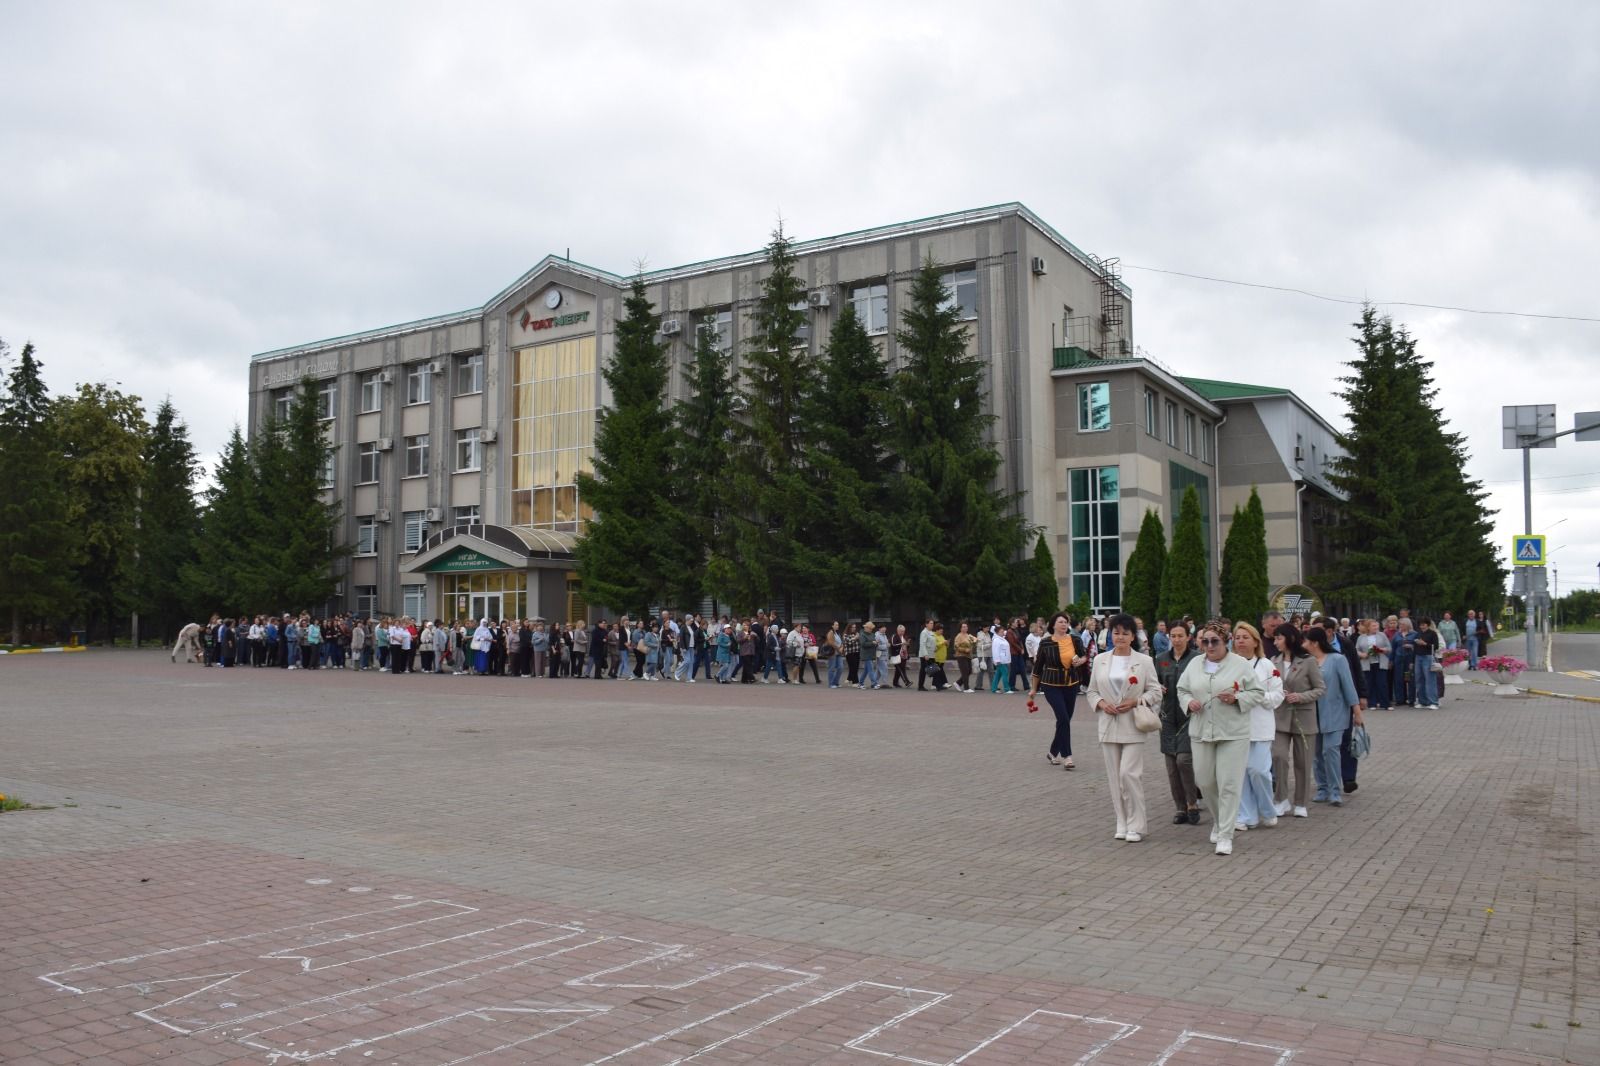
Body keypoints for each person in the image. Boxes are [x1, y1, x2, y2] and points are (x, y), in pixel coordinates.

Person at [1178, 620, 1265, 855]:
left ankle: (1226, 834)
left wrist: (1237, 698)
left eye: (1214, 641)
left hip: (1233, 732)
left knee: (1229, 783)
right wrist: (1189, 702)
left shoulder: (1240, 664)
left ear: (1226, 641)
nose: (1209, 645)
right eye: (1204, 641)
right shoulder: (1195, 664)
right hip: (1201, 731)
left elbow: (1257, 692)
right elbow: (1182, 689)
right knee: (1205, 781)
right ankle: (1219, 820)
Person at [1087, 613, 1162, 843]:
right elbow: (1091, 691)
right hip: (1108, 725)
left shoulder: (1144, 661)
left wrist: (1136, 701)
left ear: (1132, 636)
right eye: (1116, 632)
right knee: (1114, 777)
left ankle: (1136, 825)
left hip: (1133, 725)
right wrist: (1102, 704)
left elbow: (1155, 691)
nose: (1119, 637)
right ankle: (1122, 821)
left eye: (1125, 633)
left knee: (1128, 774)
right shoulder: (1100, 660)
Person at [1230, 622, 1283, 832]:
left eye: (1245, 637)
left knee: (1258, 770)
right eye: (1237, 637)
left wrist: (1256, 696)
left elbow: (1277, 696)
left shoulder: (1266, 666)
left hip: (1260, 727)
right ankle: (1247, 816)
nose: (1241, 641)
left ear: (1255, 641)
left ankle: (1268, 810)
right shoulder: (1228, 665)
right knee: (1240, 773)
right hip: (1235, 727)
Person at [1305, 626, 1363, 806]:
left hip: (1335, 713)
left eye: (1306, 641)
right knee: (1317, 754)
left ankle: (1335, 791)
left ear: (1315, 643)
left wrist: (1357, 712)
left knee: (1330, 751)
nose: (1303, 644)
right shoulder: (1307, 661)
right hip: (1312, 714)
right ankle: (1322, 788)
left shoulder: (1337, 659)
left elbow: (1348, 686)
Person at [1272, 624, 1325, 818]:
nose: (1275, 642)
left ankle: (1301, 802)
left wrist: (1301, 696)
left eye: (1279, 638)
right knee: (1278, 757)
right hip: (1280, 717)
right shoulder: (1273, 661)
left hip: (1304, 717)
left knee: (1303, 762)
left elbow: (1320, 688)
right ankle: (1281, 799)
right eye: (1275, 638)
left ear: (1290, 638)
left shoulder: (1308, 661)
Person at [1155, 619, 1201, 825]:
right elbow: (1152, 683)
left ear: (1188, 637)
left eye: (1180, 635)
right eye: (1173, 636)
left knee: (1184, 760)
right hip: (1166, 717)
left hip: (1189, 717)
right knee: (1172, 766)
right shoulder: (1161, 659)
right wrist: (1157, 688)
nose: (1176, 639)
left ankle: (1192, 803)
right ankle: (1180, 807)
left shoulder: (1197, 659)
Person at [1030, 613, 1085, 771]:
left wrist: (1080, 661)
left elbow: (1083, 656)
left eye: (1066, 622)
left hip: (1071, 683)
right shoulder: (1046, 642)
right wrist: (1033, 689)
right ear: (1053, 625)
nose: (1064, 624)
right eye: (1060, 622)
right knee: (1063, 718)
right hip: (1051, 685)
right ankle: (1067, 756)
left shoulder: (1075, 639)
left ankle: (1053, 752)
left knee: (1065, 720)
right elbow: (1037, 668)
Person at [1356, 618, 1391, 709]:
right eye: (1373, 626)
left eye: (1377, 625)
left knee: (1382, 683)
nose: (1376, 627)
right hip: (1367, 663)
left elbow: (1389, 648)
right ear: (1368, 627)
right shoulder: (1361, 637)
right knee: (1369, 683)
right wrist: (1362, 654)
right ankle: (1372, 703)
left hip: (1380, 662)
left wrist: (1381, 650)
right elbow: (1356, 650)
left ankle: (1385, 704)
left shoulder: (1382, 635)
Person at [1412, 617, 1441, 709]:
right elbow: (1414, 646)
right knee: (1419, 679)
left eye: (1423, 624)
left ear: (1428, 625)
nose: (1422, 626)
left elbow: (1436, 646)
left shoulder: (1433, 633)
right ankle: (1422, 701)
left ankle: (1433, 702)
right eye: (1420, 625)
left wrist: (1425, 644)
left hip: (1428, 657)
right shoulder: (1418, 634)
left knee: (1430, 680)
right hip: (1418, 657)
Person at [990, 621, 1012, 694]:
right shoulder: (996, 640)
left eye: (1003, 631)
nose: (1003, 633)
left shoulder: (1002, 639)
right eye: (1001, 632)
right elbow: (995, 651)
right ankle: (1007, 689)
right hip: (1000, 660)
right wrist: (997, 660)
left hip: (1004, 660)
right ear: (997, 632)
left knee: (998, 675)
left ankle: (994, 688)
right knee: (1005, 673)